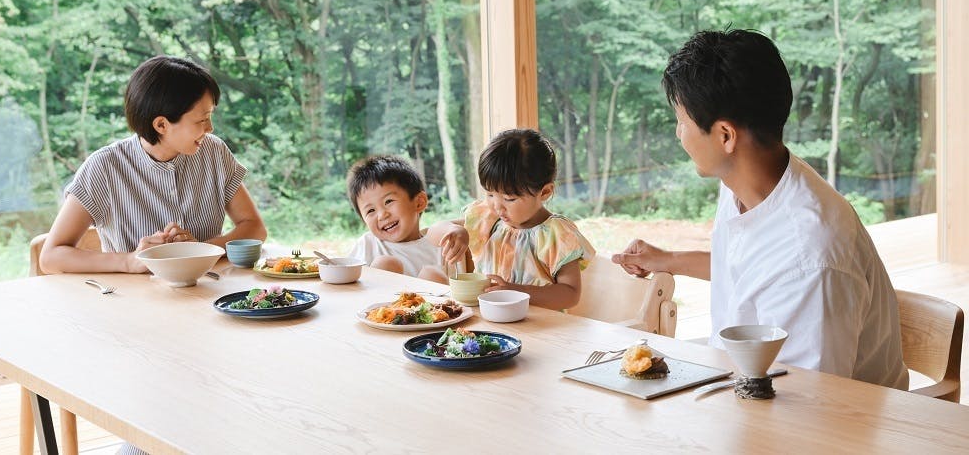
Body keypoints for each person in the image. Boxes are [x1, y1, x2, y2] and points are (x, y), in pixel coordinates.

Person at [611, 29, 907, 389]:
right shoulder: (748, 180)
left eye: (682, 122)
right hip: (743, 383)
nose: (678, 134)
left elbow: (807, 399)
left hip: (819, 414)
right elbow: (753, 269)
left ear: (725, 136)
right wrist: (668, 260)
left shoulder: (811, 255)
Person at [40, 56, 267, 274]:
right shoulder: (104, 167)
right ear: (161, 125)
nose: (210, 128)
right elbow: (51, 257)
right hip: (133, 297)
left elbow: (254, 227)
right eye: (202, 119)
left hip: (208, 291)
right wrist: (130, 261)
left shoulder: (214, 152)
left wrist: (200, 249)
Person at [428, 128, 596, 310]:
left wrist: (515, 291)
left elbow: (570, 294)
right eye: (490, 194)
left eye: (509, 199)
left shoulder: (556, 234)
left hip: (539, 324)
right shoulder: (488, 219)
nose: (497, 206)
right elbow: (431, 233)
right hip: (489, 321)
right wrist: (453, 230)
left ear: (545, 192)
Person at [346, 155, 463, 283]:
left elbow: (443, 229)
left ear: (419, 202)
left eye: (388, 201)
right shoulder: (368, 244)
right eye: (370, 211)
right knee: (385, 263)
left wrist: (457, 231)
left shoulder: (438, 247)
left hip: (431, 296)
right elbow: (348, 286)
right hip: (382, 296)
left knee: (432, 275)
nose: (382, 215)